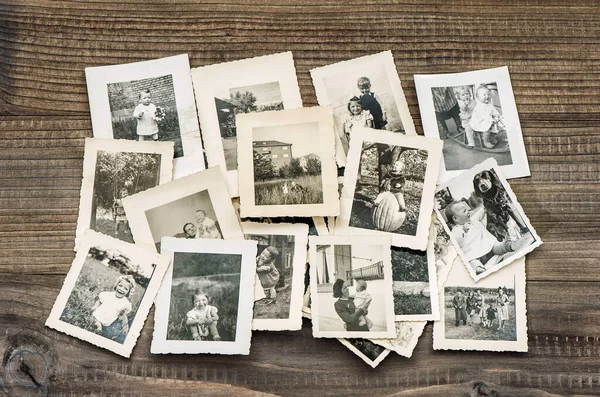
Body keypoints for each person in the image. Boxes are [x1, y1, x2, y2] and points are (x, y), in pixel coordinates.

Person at [444, 200, 515, 274]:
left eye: (467, 209)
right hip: (474, 256)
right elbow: (456, 240)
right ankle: (479, 269)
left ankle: (505, 246)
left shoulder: (472, 220)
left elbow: (479, 214)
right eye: (464, 211)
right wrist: (463, 231)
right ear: (456, 219)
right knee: (473, 262)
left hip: (488, 248)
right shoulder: (456, 230)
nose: (468, 211)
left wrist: (485, 208)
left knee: (495, 246)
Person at [473, 170, 529, 244]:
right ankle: (507, 237)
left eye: (485, 178)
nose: (482, 183)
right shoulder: (486, 202)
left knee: (508, 208)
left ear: (490, 178)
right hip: (496, 226)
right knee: (496, 220)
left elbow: (509, 209)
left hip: (505, 219)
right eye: (478, 182)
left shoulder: (500, 192)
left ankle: (522, 227)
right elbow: (496, 218)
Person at [91, 275, 134, 343]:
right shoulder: (108, 295)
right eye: (120, 286)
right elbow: (99, 301)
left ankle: (122, 332)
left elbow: (123, 315)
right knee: (97, 323)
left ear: (128, 292)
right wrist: (95, 307)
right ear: (116, 285)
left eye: (126, 289)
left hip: (110, 320)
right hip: (98, 315)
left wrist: (123, 315)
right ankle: (98, 330)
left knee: (117, 326)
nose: (121, 289)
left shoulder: (125, 303)